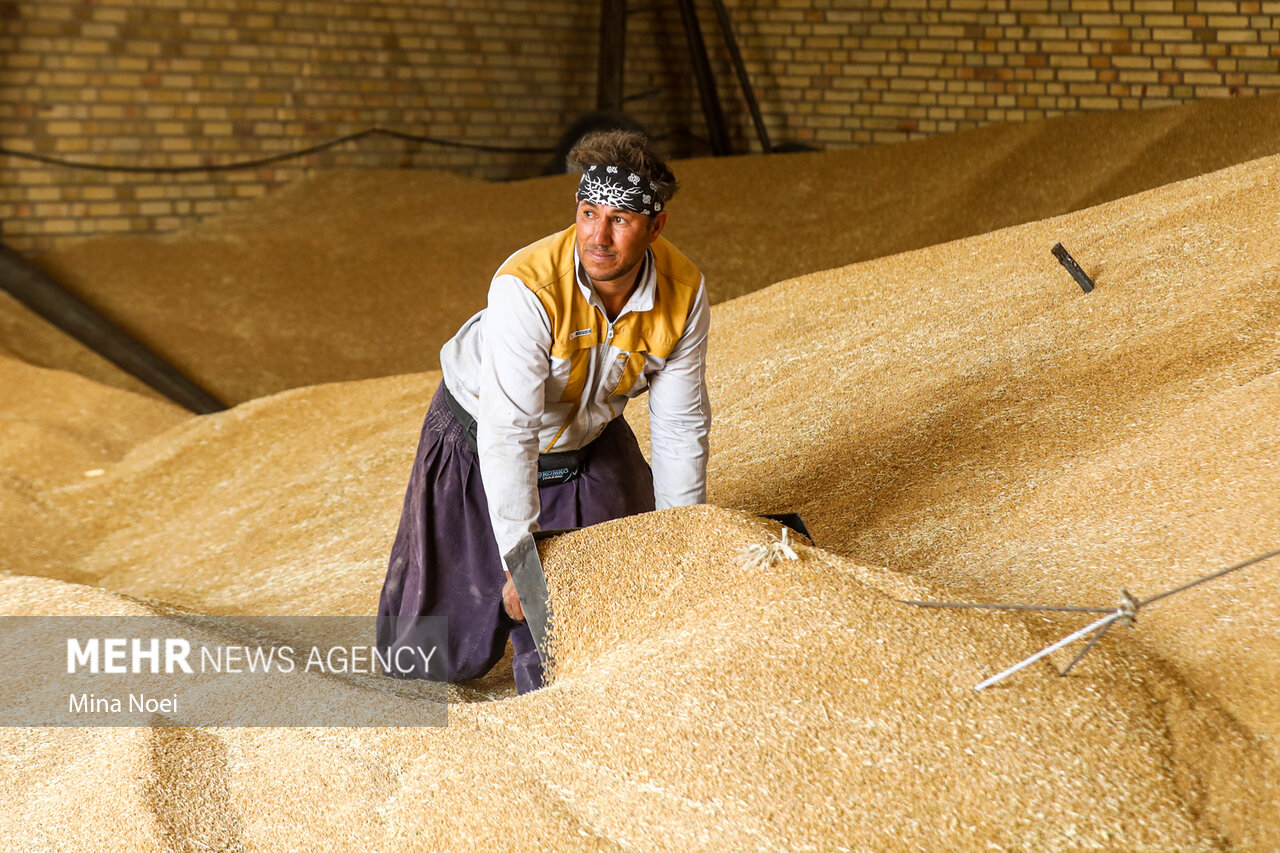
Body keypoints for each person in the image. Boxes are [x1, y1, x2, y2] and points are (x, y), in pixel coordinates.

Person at [376, 130, 711, 695]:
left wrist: (681, 539)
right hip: (478, 435)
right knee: (433, 654)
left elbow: (680, 425)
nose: (598, 237)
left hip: (591, 441)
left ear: (656, 227)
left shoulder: (684, 293)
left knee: (610, 604)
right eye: (588, 213)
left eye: (621, 219)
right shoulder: (526, 287)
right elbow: (510, 432)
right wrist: (521, 560)